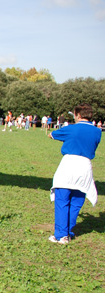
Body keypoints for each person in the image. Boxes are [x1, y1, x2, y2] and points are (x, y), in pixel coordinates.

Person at [48, 103, 101, 244]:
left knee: (62, 200)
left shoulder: (71, 128)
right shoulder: (98, 131)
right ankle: (68, 232)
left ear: (77, 115)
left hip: (69, 165)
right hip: (85, 167)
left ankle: (60, 235)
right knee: (76, 202)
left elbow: (52, 135)